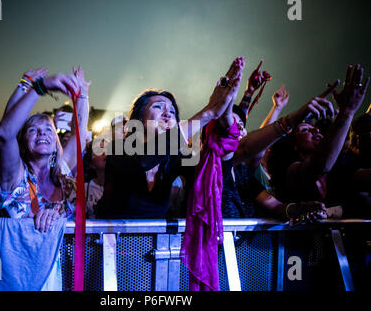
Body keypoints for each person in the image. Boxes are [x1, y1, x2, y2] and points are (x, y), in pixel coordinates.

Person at [95, 57, 247, 219]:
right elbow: (144, 160)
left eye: (173, 112)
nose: (167, 113)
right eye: (158, 106)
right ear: (139, 119)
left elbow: (211, 178)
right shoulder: (119, 148)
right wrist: (207, 113)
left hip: (155, 242)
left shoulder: (175, 157)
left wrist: (225, 113)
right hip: (109, 241)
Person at [0, 66, 90, 232]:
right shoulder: (15, 176)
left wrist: (82, 93)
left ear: (55, 141)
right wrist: (38, 87)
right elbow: (5, 134)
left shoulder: (63, 174)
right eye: (32, 130)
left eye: (48, 129)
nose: (41, 132)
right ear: (22, 143)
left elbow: (80, 132)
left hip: (67, 258)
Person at [268, 64, 370, 217]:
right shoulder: (284, 166)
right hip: (298, 239)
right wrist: (347, 112)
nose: (315, 130)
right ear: (294, 145)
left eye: (315, 128)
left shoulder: (339, 164)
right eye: (305, 130)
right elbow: (317, 167)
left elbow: (362, 177)